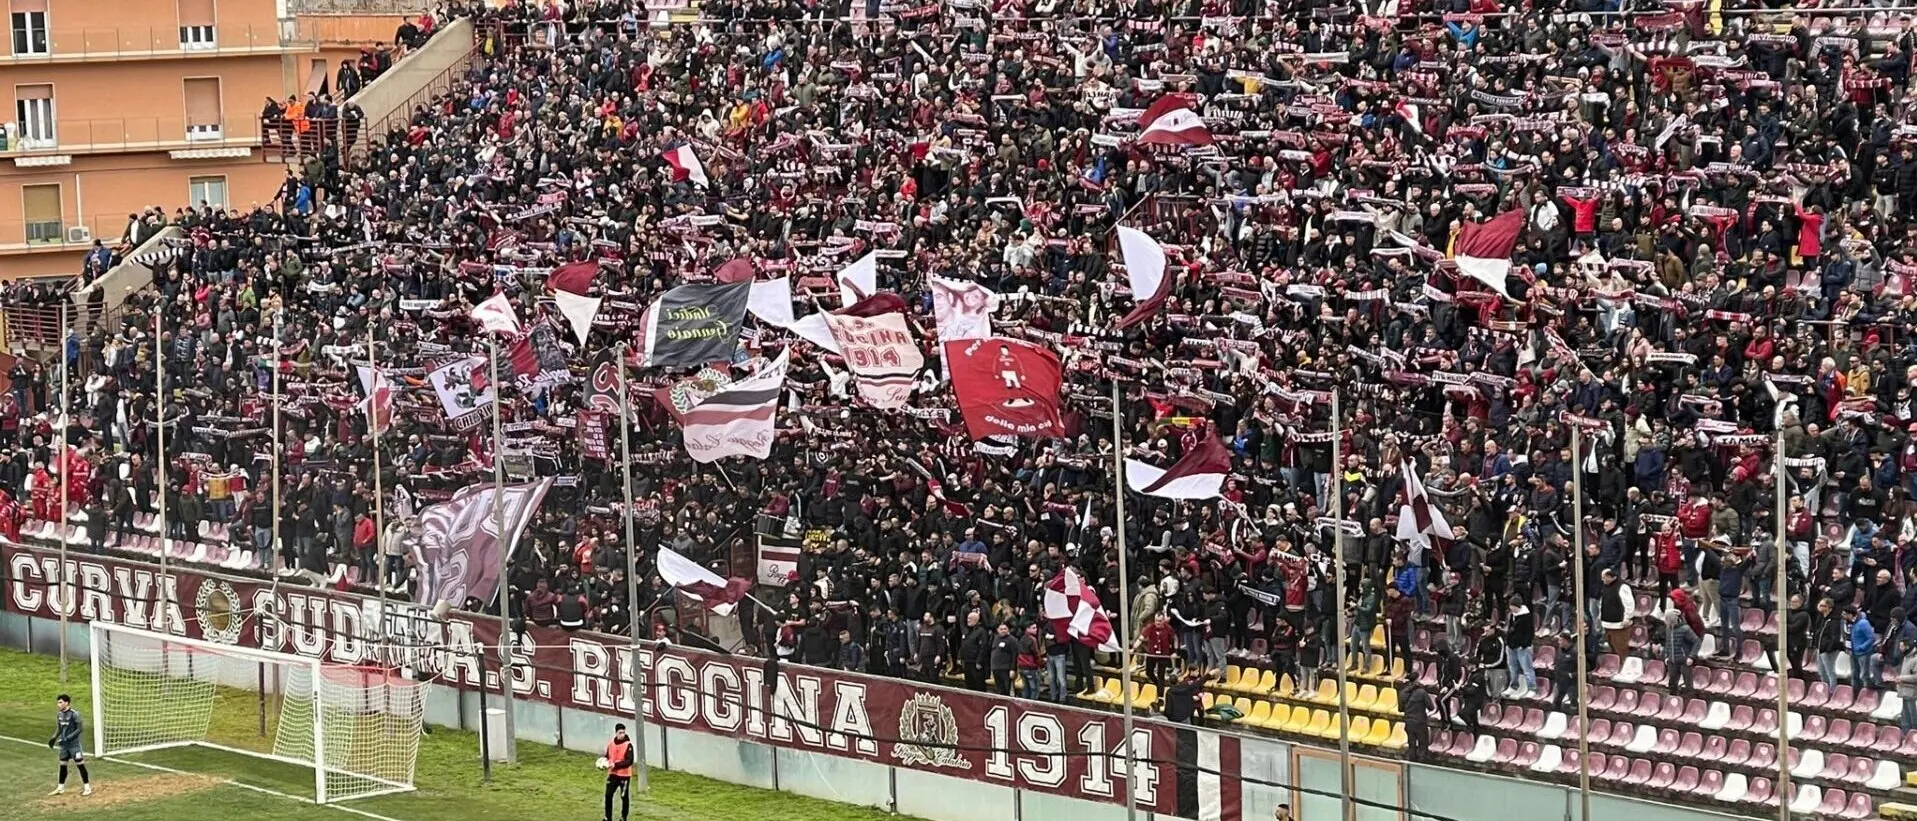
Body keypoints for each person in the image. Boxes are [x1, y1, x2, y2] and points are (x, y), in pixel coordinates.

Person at [47, 693, 90, 796]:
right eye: (57, 702)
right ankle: (60, 788)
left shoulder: (75, 714)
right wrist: (54, 737)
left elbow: (80, 729)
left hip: (74, 746)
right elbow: (59, 728)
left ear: (66, 703)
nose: (58, 704)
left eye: (60, 702)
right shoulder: (59, 715)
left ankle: (87, 788)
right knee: (62, 765)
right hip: (64, 746)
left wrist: (67, 738)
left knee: (80, 765)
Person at [601, 723, 634, 821]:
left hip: (624, 775)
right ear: (616, 733)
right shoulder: (611, 744)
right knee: (608, 795)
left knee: (624, 796)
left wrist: (615, 765)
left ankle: (623, 818)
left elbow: (629, 761)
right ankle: (608, 817)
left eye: (623, 732)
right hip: (613, 774)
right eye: (620, 733)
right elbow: (608, 756)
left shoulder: (628, 745)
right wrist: (603, 762)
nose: (622, 734)